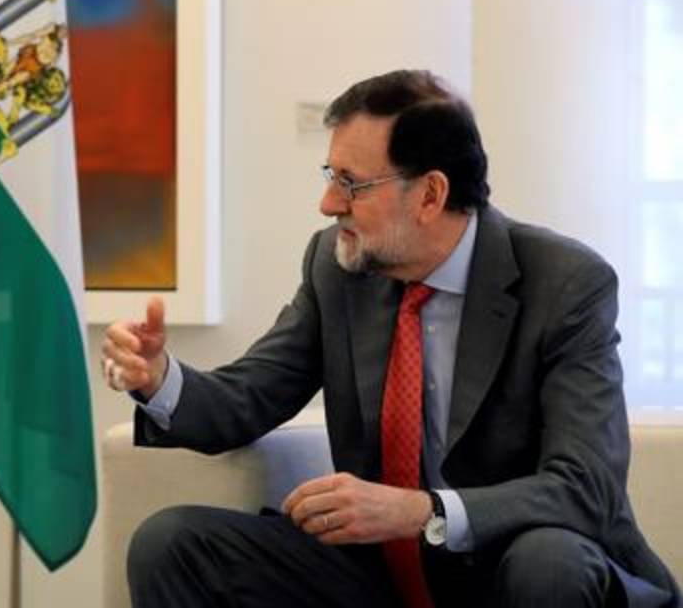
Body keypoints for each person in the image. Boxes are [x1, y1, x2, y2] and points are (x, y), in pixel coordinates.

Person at [102, 70, 679, 608]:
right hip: (384, 572)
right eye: (331, 178)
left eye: (351, 184)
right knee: (172, 542)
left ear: (430, 195)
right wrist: (161, 381)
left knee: (547, 562)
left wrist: (422, 512)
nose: (329, 205)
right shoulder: (337, 267)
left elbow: (585, 488)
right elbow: (249, 395)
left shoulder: (566, 282)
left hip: (515, 565)